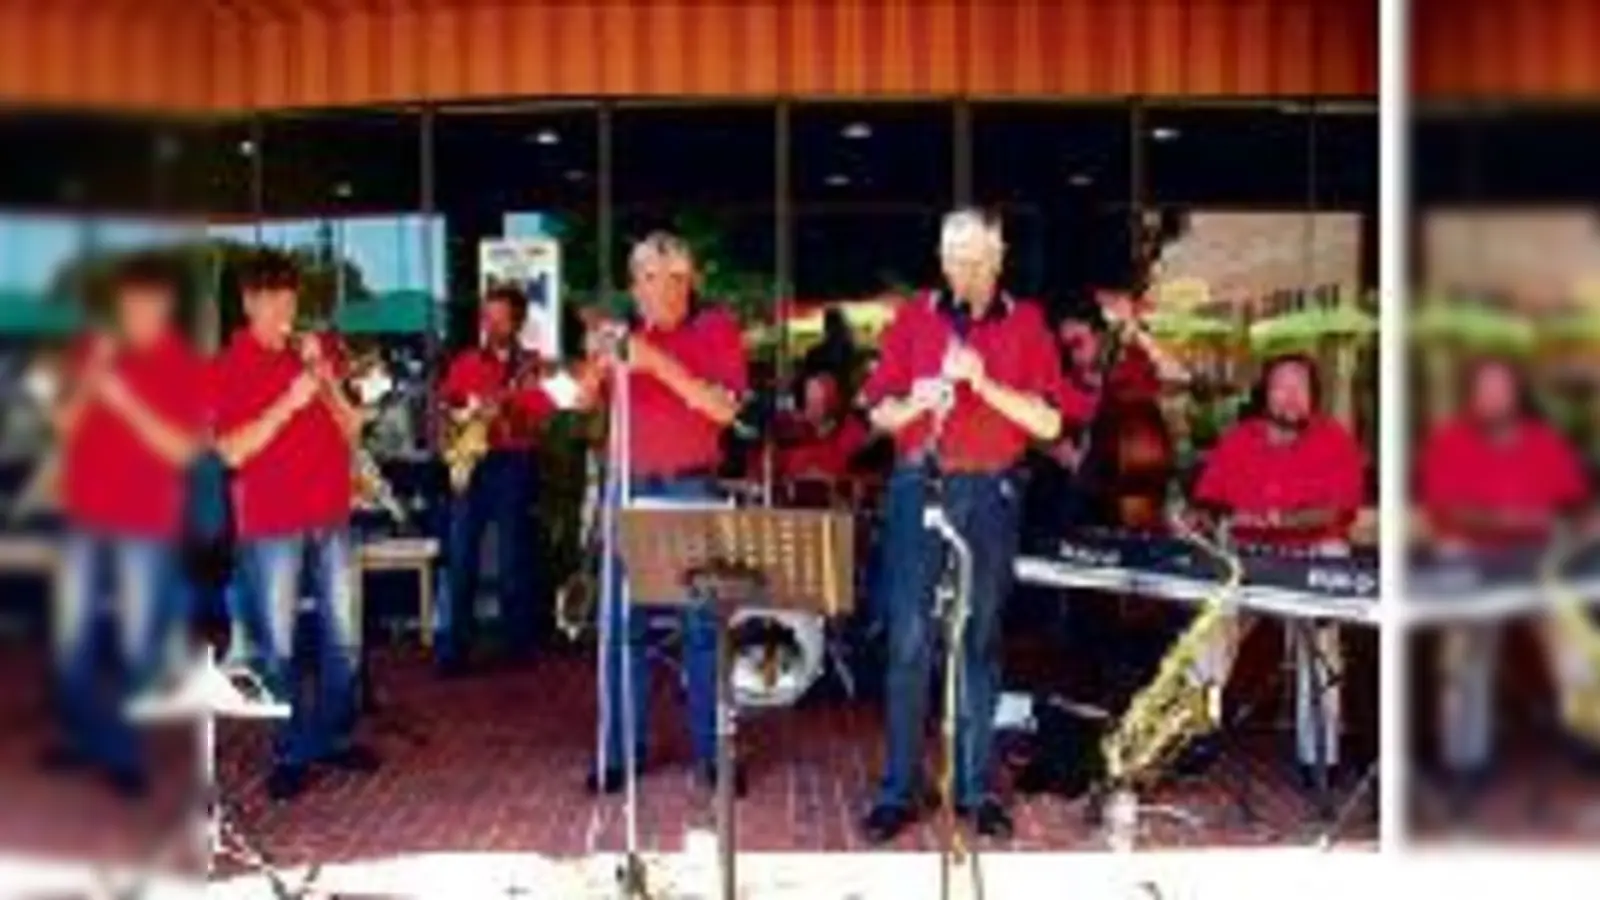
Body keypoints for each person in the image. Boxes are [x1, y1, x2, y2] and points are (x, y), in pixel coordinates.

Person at [858, 208, 1094, 843]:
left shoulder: (1028, 323)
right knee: (908, 640)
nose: (958, 269)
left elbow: (1048, 425)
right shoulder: (915, 319)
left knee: (978, 638)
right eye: (950, 255)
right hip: (919, 484)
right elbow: (878, 411)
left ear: (998, 258)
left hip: (990, 490)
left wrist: (982, 384)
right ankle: (897, 789)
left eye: (971, 257)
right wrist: (916, 401)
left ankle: (973, 786)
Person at [580, 231, 749, 795]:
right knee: (619, 627)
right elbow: (581, 403)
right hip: (626, 483)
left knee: (702, 628)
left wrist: (656, 362)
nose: (654, 289)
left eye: (666, 277)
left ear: (687, 280)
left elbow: (723, 409)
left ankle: (713, 754)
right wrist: (594, 367)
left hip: (689, 486)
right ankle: (621, 751)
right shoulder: (628, 337)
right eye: (645, 277)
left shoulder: (715, 329)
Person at [212, 249, 378, 800]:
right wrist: (288, 401)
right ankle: (289, 750)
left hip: (330, 512)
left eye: (290, 297)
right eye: (273, 298)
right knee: (276, 647)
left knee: (345, 640)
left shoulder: (314, 354)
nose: (285, 308)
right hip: (271, 524)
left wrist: (325, 381)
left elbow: (354, 429)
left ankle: (330, 737)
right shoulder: (228, 365)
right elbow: (232, 451)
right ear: (248, 303)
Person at [46, 253, 208, 796]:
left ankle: (121, 752)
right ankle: (86, 738)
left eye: (147, 301)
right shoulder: (92, 352)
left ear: (163, 305)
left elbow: (182, 451)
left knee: (139, 644)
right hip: (85, 516)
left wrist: (127, 401)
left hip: (144, 522)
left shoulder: (181, 363)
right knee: (72, 638)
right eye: (129, 302)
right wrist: (93, 381)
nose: (137, 311)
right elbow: (66, 429)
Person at [1190, 354, 1366, 790]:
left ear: (1314, 398)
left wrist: (1274, 520)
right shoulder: (1238, 440)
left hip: (1313, 557)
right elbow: (1209, 504)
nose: (1290, 397)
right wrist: (1200, 519)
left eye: (1300, 388)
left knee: (1321, 642)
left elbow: (1336, 509)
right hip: (1247, 556)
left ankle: (1318, 756)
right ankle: (1198, 731)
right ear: (1264, 393)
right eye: (1281, 386)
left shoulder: (1334, 439)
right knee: (1207, 629)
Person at [1415, 357, 1593, 788]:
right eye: (1484, 388)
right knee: (1466, 655)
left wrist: (1577, 526)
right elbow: (1448, 511)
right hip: (1471, 561)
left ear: (1516, 394)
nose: (1493, 397)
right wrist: (1518, 521)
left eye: (1501, 388)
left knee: (1576, 642)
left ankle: (1586, 737)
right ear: (1471, 396)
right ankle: (1465, 760)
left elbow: (1576, 505)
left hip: (1542, 561)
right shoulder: (1449, 442)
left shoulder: (1543, 442)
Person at [436, 286, 557, 673]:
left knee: (513, 560)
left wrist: (506, 410)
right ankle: (453, 650)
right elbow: (444, 407)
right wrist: (461, 419)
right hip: (472, 463)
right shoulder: (465, 361)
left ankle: (517, 649)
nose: (491, 324)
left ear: (517, 321)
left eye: (500, 318)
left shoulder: (533, 366)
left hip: (513, 461)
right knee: (461, 557)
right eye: (487, 317)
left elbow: (541, 417)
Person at [768, 370, 870, 484]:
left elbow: (840, 464)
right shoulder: (796, 427)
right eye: (809, 396)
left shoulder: (850, 428)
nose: (810, 402)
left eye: (816, 397)